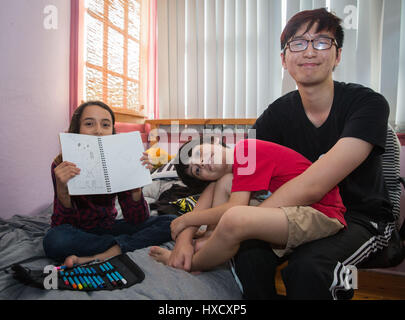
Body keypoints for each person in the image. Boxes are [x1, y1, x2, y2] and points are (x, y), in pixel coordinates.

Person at [230, 8, 394, 299]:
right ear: (284, 59)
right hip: (302, 215)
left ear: (338, 55)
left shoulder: (368, 103)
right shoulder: (275, 115)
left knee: (310, 267)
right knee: (249, 254)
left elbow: (314, 186)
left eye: (321, 42)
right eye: (298, 43)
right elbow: (243, 168)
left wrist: (243, 221)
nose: (309, 51)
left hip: (362, 219)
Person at [149, 137, 346, 272]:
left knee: (234, 217)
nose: (201, 163)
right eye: (197, 170)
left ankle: (193, 263)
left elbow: (233, 208)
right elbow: (207, 200)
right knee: (225, 183)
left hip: (319, 211)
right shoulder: (231, 172)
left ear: (214, 141)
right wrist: (185, 239)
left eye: (200, 153)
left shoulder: (245, 151)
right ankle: (210, 238)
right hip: (295, 209)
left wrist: (186, 219)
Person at [43, 101, 176, 267]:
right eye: (89, 123)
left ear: (112, 132)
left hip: (109, 227)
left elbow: (137, 219)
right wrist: (63, 190)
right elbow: (61, 225)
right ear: (76, 129)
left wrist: (136, 189)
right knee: (55, 240)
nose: (98, 130)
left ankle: (111, 251)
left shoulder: (119, 160)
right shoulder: (61, 165)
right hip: (77, 231)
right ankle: (121, 245)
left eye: (105, 125)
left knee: (172, 221)